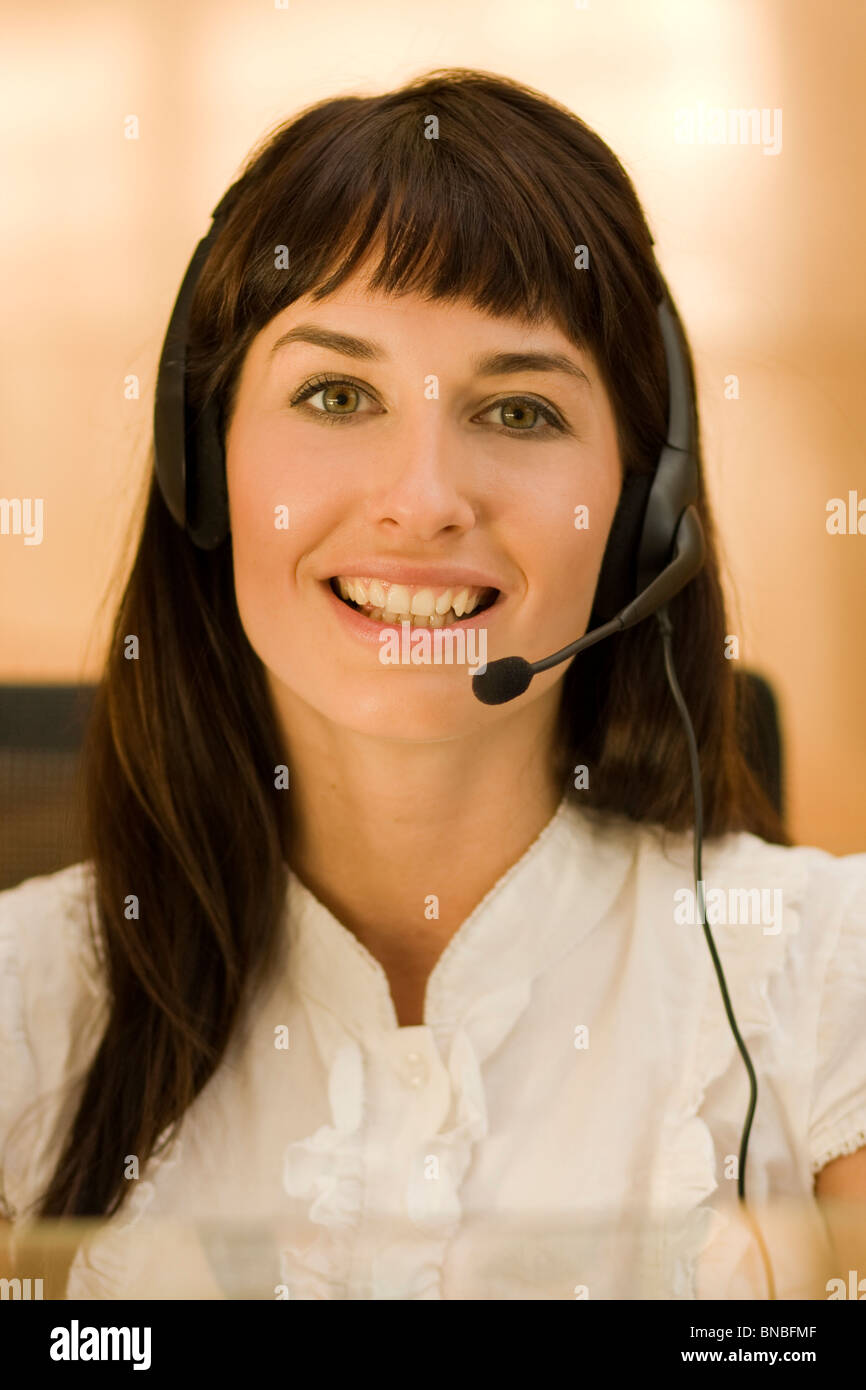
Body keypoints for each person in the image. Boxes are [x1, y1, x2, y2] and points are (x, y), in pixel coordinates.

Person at [1, 67, 865, 1301]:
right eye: (335, 394)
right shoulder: (21, 1012)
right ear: (205, 465)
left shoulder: (831, 987)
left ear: (642, 507)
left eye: (515, 409)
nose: (421, 498)